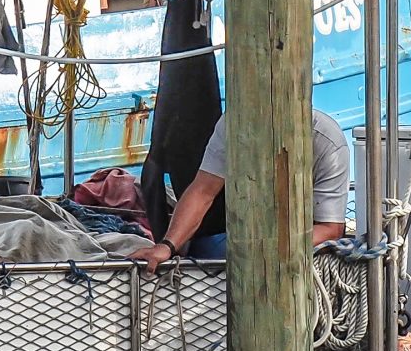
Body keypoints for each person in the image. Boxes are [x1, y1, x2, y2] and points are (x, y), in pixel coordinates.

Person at [134, 107, 351, 268]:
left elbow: (331, 228)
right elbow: (202, 191)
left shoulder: (328, 143)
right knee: (203, 253)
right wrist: (167, 246)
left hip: (302, 247)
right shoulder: (233, 125)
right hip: (245, 240)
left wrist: (274, 249)